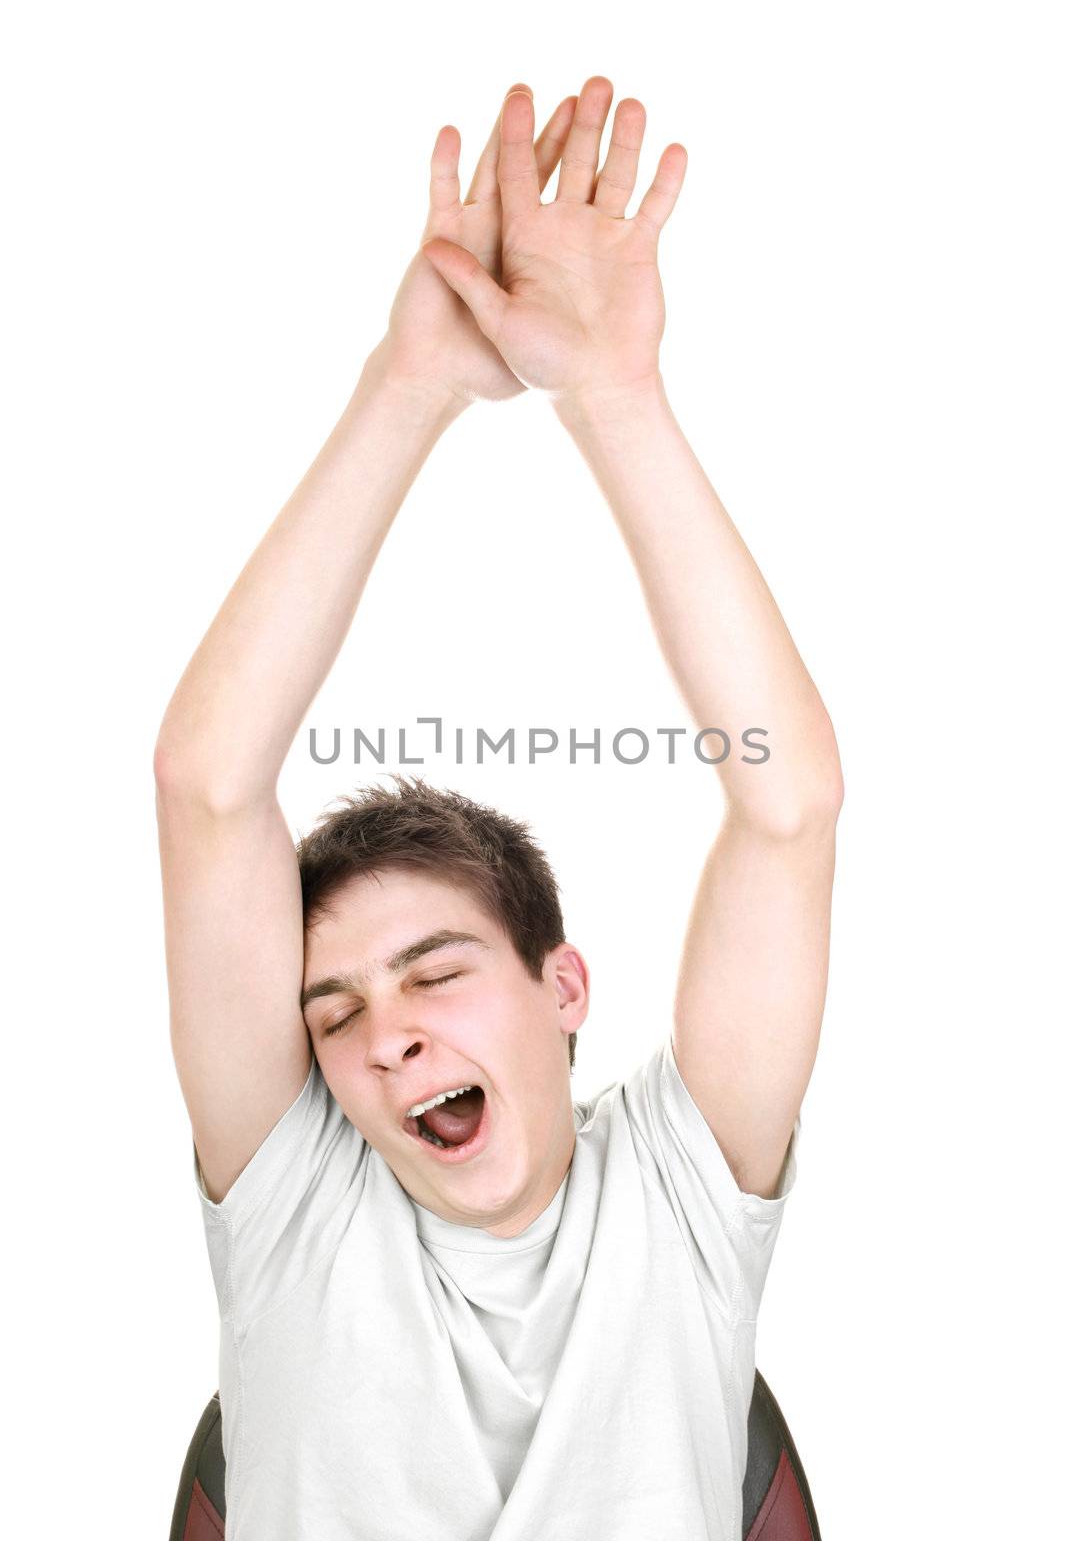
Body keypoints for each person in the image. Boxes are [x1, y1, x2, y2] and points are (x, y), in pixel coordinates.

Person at [155, 75, 843, 1541]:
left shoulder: (678, 1200)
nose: (379, 1031)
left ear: (563, 985)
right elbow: (208, 793)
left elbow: (789, 810)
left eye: (433, 973)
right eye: (331, 1013)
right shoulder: (298, 1213)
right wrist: (409, 389)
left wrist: (613, 396)